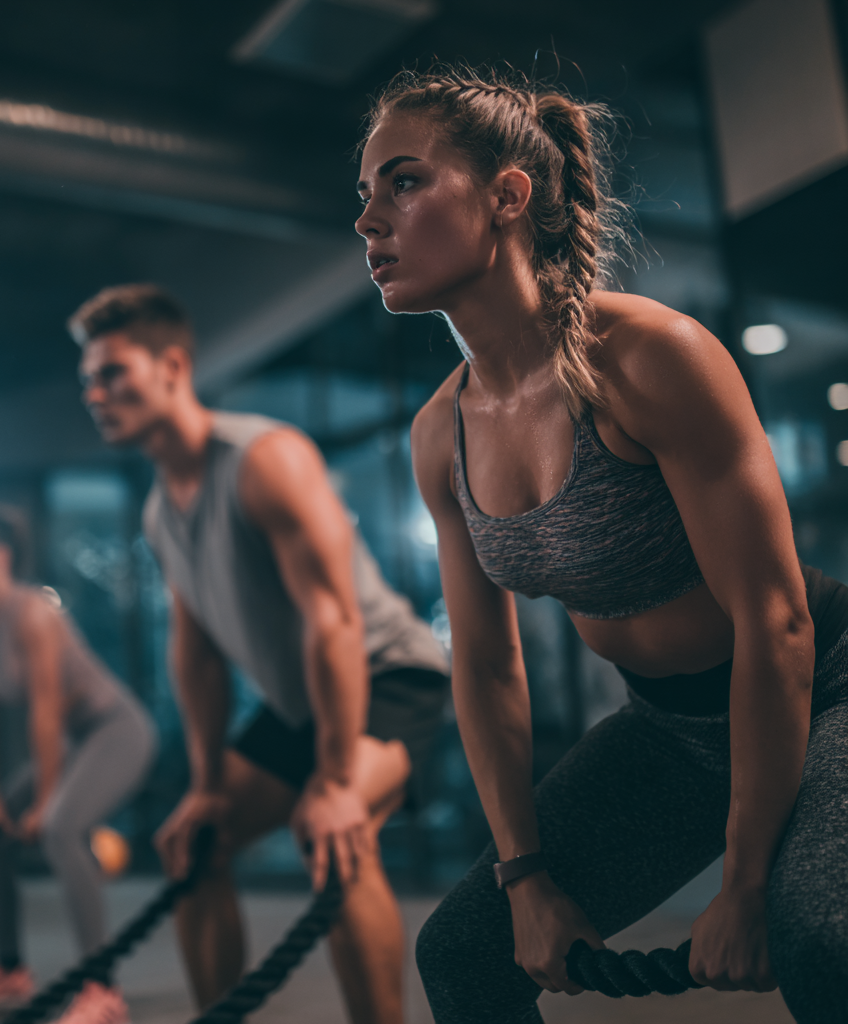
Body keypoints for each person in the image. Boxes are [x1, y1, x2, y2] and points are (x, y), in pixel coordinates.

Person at [352, 65, 848, 1024]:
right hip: (668, 729)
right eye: (365, 193)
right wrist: (526, 878)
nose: (370, 219)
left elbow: (777, 624)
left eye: (404, 181)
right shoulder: (439, 435)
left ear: (507, 196)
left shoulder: (650, 360)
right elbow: (488, 670)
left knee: (817, 938)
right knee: (463, 952)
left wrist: (743, 886)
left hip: (824, 688)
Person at [71, 284, 451, 1024]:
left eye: (113, 372)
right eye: (87, 379)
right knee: (196, 843)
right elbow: (198, 653)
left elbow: (334, 621)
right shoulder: (160, 511)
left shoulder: (265, 458)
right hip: (300, 700)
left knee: (334, 833)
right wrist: (208, 782)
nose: (95, 392)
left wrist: (337, 779)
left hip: (387, 676)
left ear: (172, 366)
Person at [0, 500, 157, 1024]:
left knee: (60, 828)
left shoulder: (34, 612)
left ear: (0, 556)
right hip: (73, 741)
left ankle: (102, 991)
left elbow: (45, 714)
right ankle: (10, 969)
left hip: (117, 730)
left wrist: (43, 801)